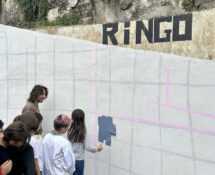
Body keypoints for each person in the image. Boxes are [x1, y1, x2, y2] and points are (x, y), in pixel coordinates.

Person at [68, 109, 103, 175]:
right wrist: (97, 149)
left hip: (70, 159)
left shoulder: (70, 129)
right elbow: (87, 147)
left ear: (72, 118)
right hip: (79, 160)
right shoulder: (83, 131)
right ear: (82, 119)